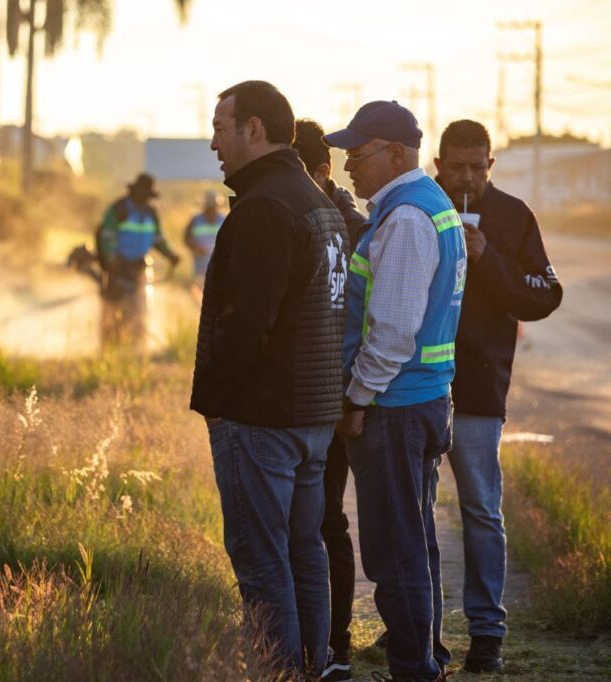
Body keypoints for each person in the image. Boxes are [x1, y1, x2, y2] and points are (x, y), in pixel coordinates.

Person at [190, 80, 349, 677]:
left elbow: (248, 321)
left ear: (254, 130)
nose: (213, 143)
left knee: (261, 561)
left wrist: (216, 398)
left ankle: (281, 672)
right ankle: (314, 665)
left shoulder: (265, 207)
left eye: (220, 128)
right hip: (310, 415)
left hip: (263, 416)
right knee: (304, 552)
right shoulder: (314, 199)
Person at [325, 101, 467, 682]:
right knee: (417, 539)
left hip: (395, 407)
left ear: (396, 154)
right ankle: (423, 655)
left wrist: (357, 400)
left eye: (357, 154)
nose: (348, 166)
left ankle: (414, 668)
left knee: (394, 549)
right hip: (421, 400)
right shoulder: (427, 209)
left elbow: (391, 330)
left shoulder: (406, 218)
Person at [433, 119, 562, 673]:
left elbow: (545, 294)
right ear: (437, 165)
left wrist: (488, 259)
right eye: (454, 166)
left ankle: (487, 633)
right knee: (411, 511)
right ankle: (416, 628)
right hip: (415, 384)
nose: (465, 177)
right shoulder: (420, 205)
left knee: (481, 509)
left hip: (481, 387)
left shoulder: (513, 215)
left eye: (475, 166)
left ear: (490, 164)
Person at [293, 117, 366, 682]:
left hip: (336, 398)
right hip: (295, 397)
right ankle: (305, 643)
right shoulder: (289, 213)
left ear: (322, 171)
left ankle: (335, 645)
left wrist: (354, 395)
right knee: (300, 522)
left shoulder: (354, 226)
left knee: (325, 520)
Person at [96, 172, 180, 347]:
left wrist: (170, 255)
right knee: (113, 306)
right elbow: (107, 235)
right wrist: (111, 256)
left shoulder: (151, 213)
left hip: (140, 267)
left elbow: (158, 239)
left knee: (141, 307)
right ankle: (109, 344)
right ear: (135, 192)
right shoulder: (119, 209)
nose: (146, 198)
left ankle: (138, 344)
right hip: (118, 266)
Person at [183, 190, 225, 285]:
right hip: (200, 267)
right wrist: (195, 247)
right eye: (209, 207)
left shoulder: (223, 220)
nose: (211, 209)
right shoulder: (195, 220)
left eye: (214, 206)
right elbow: (186, 238)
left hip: (220, 268)